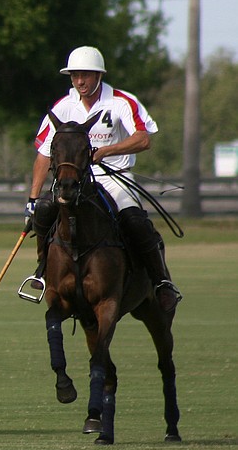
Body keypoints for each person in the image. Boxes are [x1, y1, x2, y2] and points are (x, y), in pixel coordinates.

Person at [21, 46, 182, 312]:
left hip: (114, 178)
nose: (80, 81)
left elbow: (143, 139)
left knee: (136, 220)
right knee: (46, 211)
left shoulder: (121, 101)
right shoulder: (63, 107)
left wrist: (107, 151)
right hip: (73, 181)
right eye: (75, 76)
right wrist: (32, 198)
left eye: (86, 75)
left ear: (99, 75)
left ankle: (161, 281)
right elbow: (42, 154)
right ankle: (41, 271)